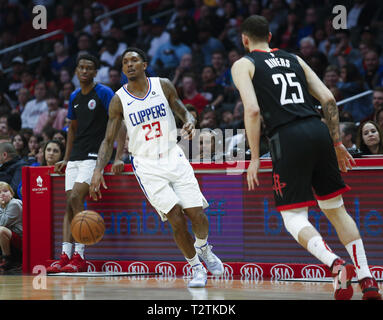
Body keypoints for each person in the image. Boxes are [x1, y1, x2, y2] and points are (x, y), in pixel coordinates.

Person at [231, 15, 381, 300]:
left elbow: (251, 110)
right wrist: (337, 141)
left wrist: (253, 158)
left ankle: (336, 264)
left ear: (245, 39)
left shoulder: (243, 64)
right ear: (271, 36)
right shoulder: (294, 59)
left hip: (287, 137)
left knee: (292, 216)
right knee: (337, 210)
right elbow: (328, 99)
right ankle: (368, 278)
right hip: (318, 130)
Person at [89, 47, 224, 288]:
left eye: (134, 60)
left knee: (198, 216)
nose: (129, 65)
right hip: (146, 163)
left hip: (173, 155)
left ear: (144, 64)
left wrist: (190, 120)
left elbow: (181, 108)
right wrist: (99, 169)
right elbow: (108, 140)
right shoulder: (119, 99)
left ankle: (203, 248)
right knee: (175, 218)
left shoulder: (162, 85)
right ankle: (195, 267)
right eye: (125, 62)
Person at [47, 54, 126, 274]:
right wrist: (66, 156)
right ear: (76, 71)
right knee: (68, 205)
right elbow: (72, 129)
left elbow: (118, 122)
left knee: (75, 197)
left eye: (88, 68)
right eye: (80, 67)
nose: (84, 71)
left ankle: (80, 257)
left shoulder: (103, 92)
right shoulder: (73, 96)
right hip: (76, 155)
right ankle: (65, 256)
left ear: (94, 72)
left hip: (95, 154)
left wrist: (118, 155)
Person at [0, 181, 22, 271]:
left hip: (22, 238)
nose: (2, 194)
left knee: (1, 230)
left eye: (5, 191)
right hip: (11, 236)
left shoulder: (15, 204)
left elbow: (2, 223)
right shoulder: (3, 206)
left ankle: (8, 259)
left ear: (12, 193)